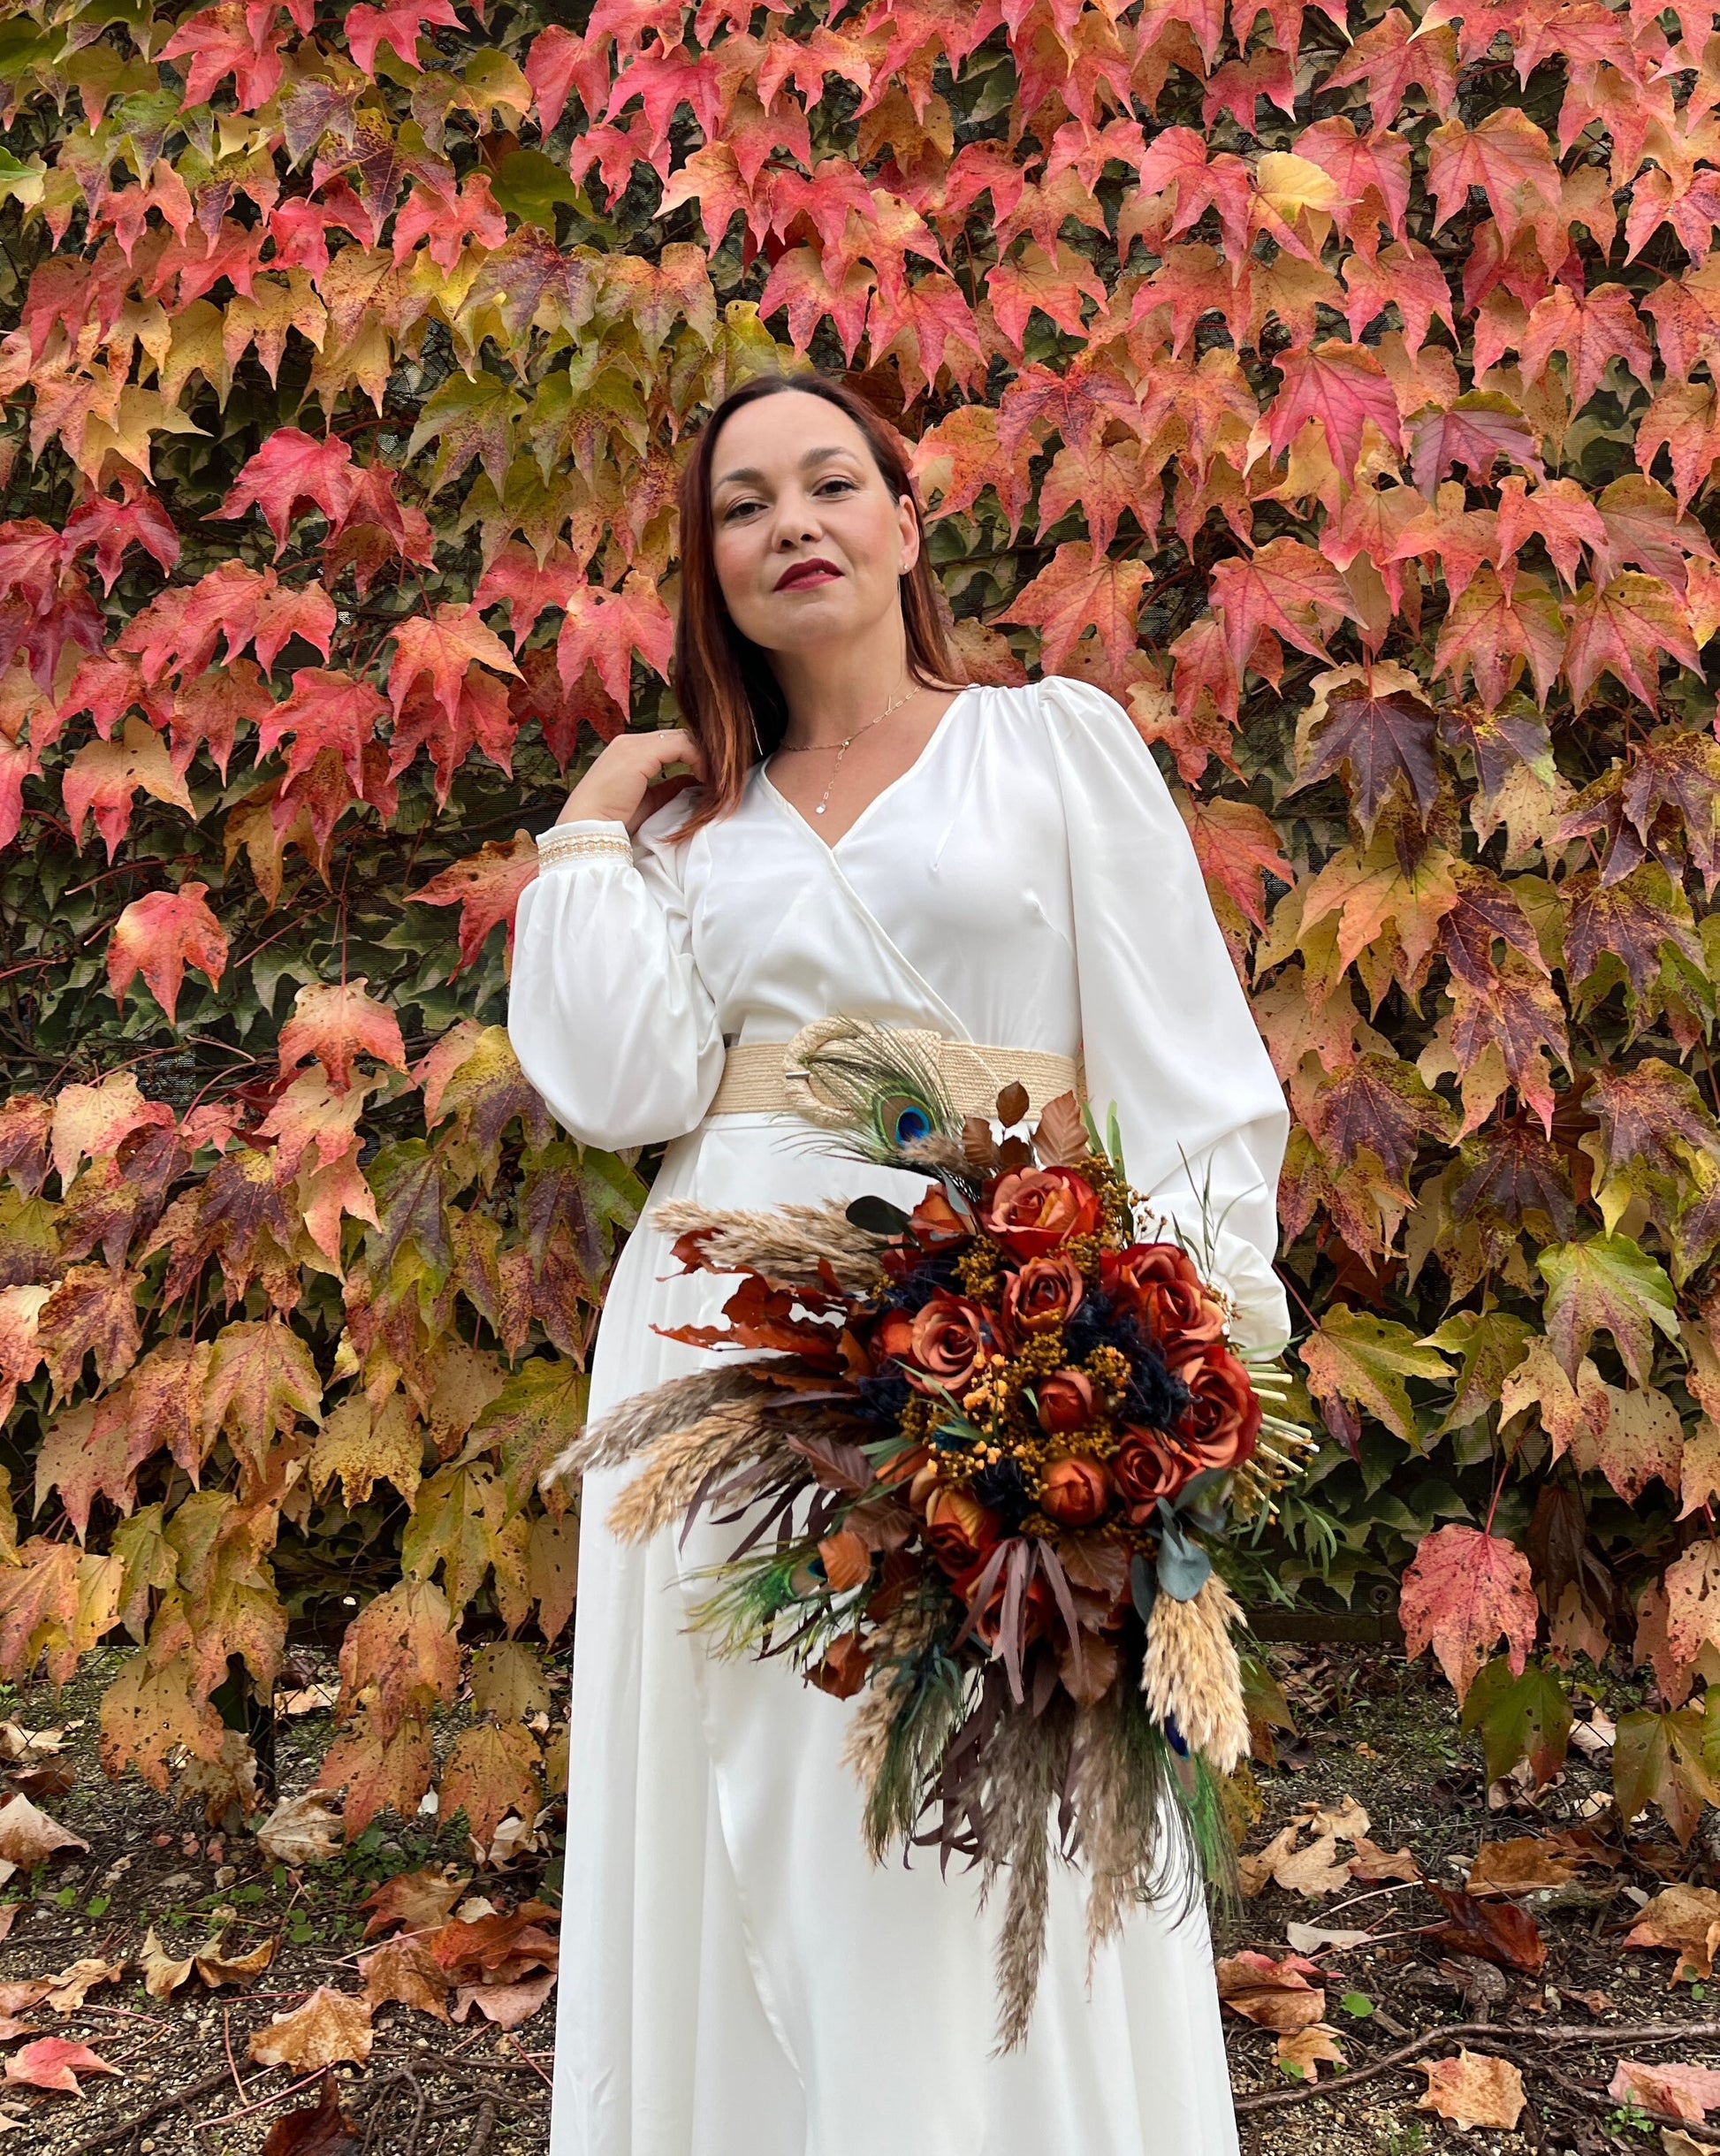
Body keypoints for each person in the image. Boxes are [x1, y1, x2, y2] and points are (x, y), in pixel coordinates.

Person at [506, 371, 1292, 2156]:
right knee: (762, 1804)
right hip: (719, 1363)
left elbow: (1184, 1071)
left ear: (903, 523)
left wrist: (1167, 1343)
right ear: (710, 570)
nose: (791, 521)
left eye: (829, 482)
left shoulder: (1052, 744)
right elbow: (623, 1087)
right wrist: (597, 809)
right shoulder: (690, 827)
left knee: (981, 1806)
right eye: (742, 504)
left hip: (1015, 1333)